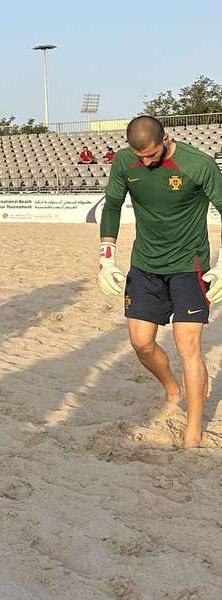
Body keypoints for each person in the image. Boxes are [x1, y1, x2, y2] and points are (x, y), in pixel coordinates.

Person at [97, 115, 222, 449]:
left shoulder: (199, 165)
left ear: (166, 138)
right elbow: (111, 204)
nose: (147, 162)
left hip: (188, 266)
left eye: (152, 155)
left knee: (188, 347)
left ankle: (193, 431)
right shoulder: (125, 162)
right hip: (145, 265)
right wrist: (106, 254)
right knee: (141, 343)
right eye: (141, 157)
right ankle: (171, 387)